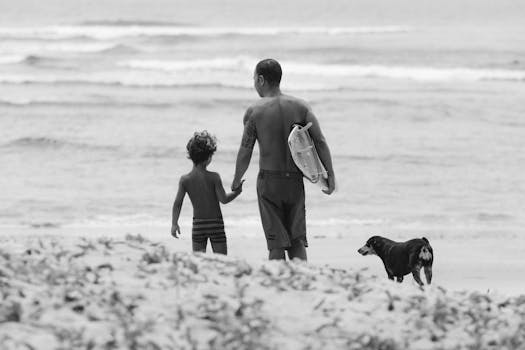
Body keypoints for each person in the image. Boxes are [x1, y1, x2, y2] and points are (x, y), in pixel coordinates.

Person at [231, 58, 335, 261]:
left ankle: (278, 284)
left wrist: (236, 180)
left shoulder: (255, 111)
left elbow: (245, 151)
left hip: (269, 183)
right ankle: (302, 281)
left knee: (276, 244)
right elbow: (320, 142)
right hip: (294, 182)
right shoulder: (301, 107)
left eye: (254, 79)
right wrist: (329, 176)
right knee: (296, 241)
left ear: (260, 79)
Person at [171, 131, 243, 254]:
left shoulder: (185, 180)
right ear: (209, 157)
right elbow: (224, 199)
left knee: (199, 258)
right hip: (216, 224)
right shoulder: (214, 177)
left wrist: (174, 223)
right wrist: (237, 192)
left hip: (198, 225)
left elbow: (177, 203)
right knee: (221, 259)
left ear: (191, 155)